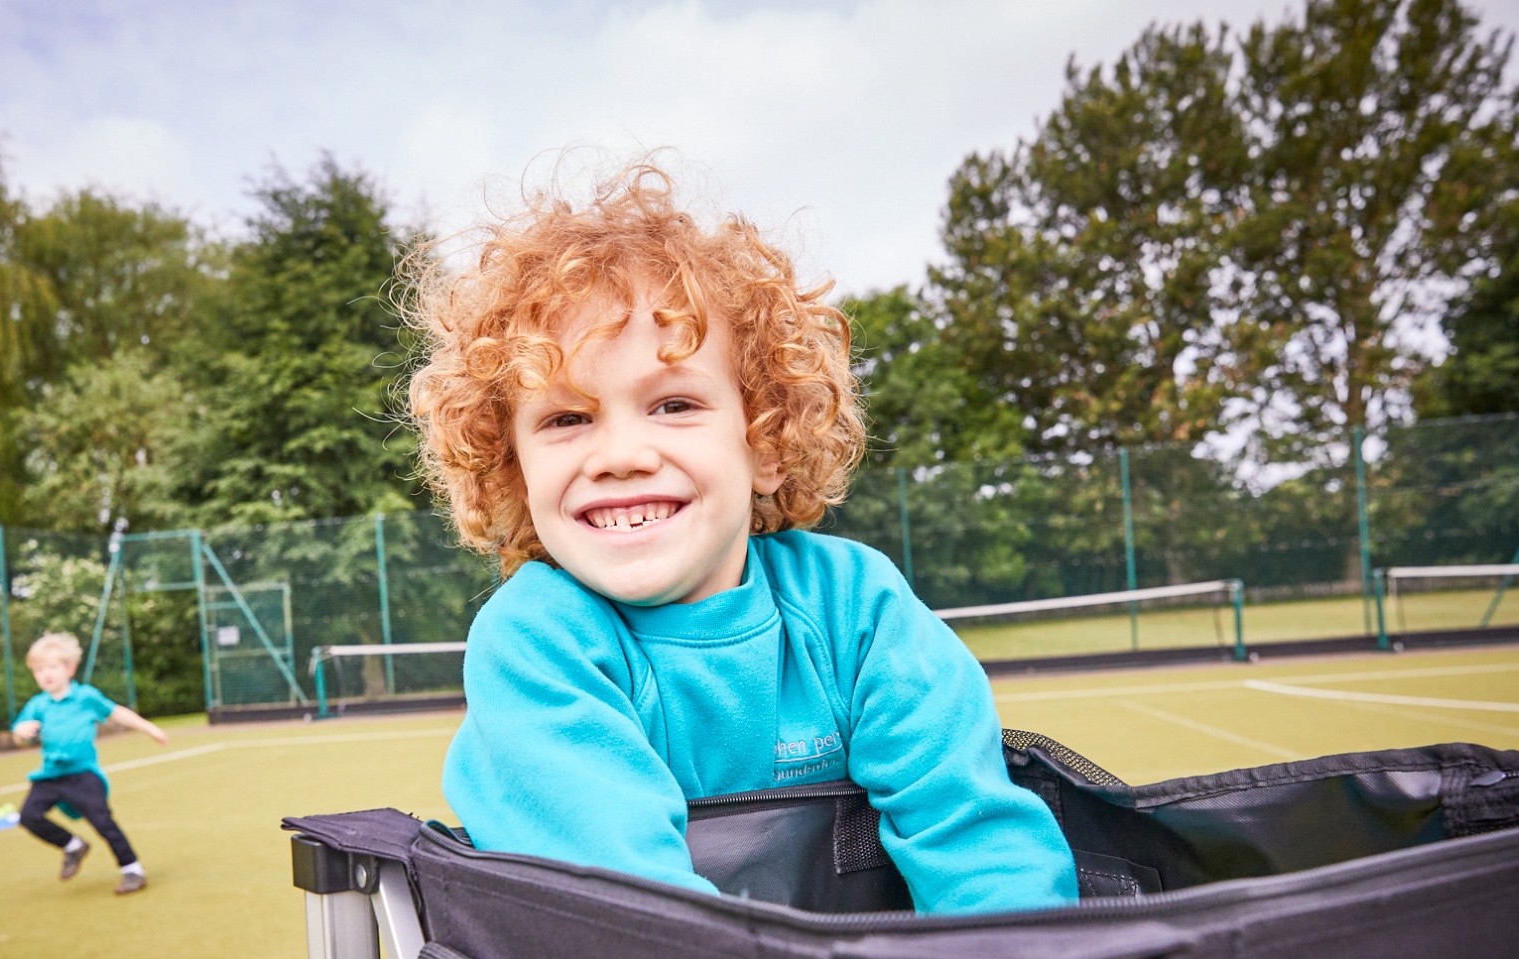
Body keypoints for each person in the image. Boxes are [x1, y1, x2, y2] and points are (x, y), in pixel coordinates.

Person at [406, 165, 1076, 914]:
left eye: (674, 403)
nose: (621, 453)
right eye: (567, 418)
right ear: (511, 467)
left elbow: (981, 847)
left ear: (765, 443)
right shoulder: (534, 642)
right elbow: (641, 921)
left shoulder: (858, 607)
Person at [12, 632, 167, 894]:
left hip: (83, 775)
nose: (45, 674)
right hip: (50, 776)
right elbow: (19, 737)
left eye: (52, 667)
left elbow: (116, 712)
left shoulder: (85, 697)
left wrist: (147, 727)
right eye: (39, 669)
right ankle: (72, 845)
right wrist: (20, 733)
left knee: (102, 820)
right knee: (28, 816)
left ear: (69, 668)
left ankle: (132, 870)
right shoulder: (37, 705)